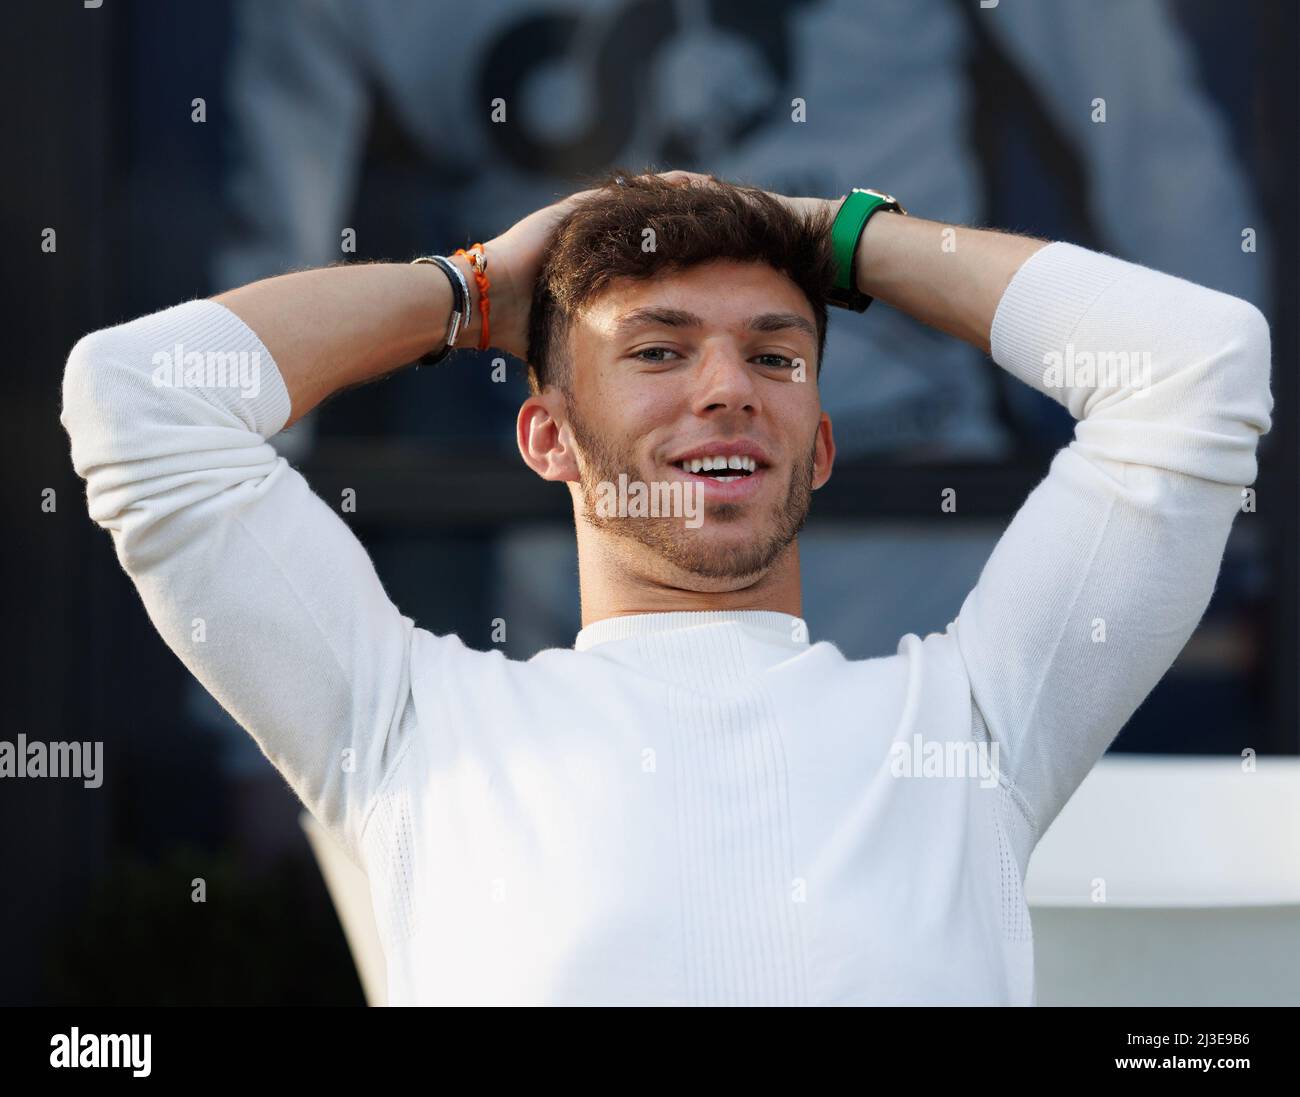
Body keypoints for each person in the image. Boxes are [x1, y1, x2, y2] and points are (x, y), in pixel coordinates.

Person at [61, 170, 1271, 1005]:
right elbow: (137, 398)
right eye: (656, 348)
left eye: (775, 353)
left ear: (821, 446)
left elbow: (1195, 365)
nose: (728, 387)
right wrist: (477, 286)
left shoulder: (975, 724)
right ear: (547, 437)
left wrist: (840, 236)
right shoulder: (407, 727)